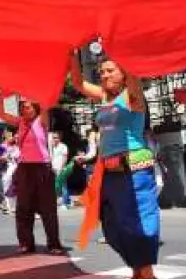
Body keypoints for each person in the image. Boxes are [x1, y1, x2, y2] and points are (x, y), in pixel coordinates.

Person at [72, 53, 160, 279]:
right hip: (108, 174)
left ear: (124, 73)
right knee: (112, 228)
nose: (104, 75)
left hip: (135, 171)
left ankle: (145, 272)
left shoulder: (133, 96)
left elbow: (134, 75)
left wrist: (120, 49)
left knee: (139, 225)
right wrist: (71, 53)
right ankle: (139, 269)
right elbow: (78, 83)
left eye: (110, 70)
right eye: (101, 72)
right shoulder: (104, 96)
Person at [0, 94, 65, 255]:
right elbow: (1, 114)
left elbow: (46, 103)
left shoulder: (42, 120)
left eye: (28, 107)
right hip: (24, 167)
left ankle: (54, 244)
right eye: (23, 107)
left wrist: (37, 91)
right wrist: (1, 96)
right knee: (23, 208)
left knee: (48, 208)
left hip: (42, 167)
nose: (25, 109)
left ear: (35, 108)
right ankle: (26, 243)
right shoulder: (20, 122)